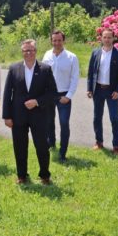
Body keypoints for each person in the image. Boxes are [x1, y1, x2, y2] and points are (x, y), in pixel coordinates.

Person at [2, 39, 56, 185]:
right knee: (19, 146)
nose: (28, 53)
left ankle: (45, 175)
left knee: (42, 146)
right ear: (22, 52)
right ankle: (22, 175)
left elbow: (52, 94)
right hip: (18, 115)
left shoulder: (45, 69)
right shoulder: (14, 68)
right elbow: (8, 93)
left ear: (36, 52)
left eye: (31, 50)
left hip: (39, 115)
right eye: (26, 51)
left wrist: (37, 102)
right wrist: (6, 116)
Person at [87, 28, 118, 154]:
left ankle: (116, 146)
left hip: (112, 91)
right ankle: (99, 142)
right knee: (97, 117)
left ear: (113, 38)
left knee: (114, 118)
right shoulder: (95, 53)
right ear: (101, 38)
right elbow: (90, 72)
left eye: (109, 37)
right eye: (104, 37)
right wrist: (89, 88)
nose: (107, 39)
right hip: (98, 89)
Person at [42, 31, 80, 162]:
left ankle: (63, 153)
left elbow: (75, 78)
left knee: (64, 123)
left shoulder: (72, 57)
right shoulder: (47, 55)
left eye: (59, 40)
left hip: (64, 96)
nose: (57, 43)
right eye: (54, 40)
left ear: (64, 41)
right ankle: (50, 144)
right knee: (48, 122)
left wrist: (68, 96)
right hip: (49, 95)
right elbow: (43, 74)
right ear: (51, 41)